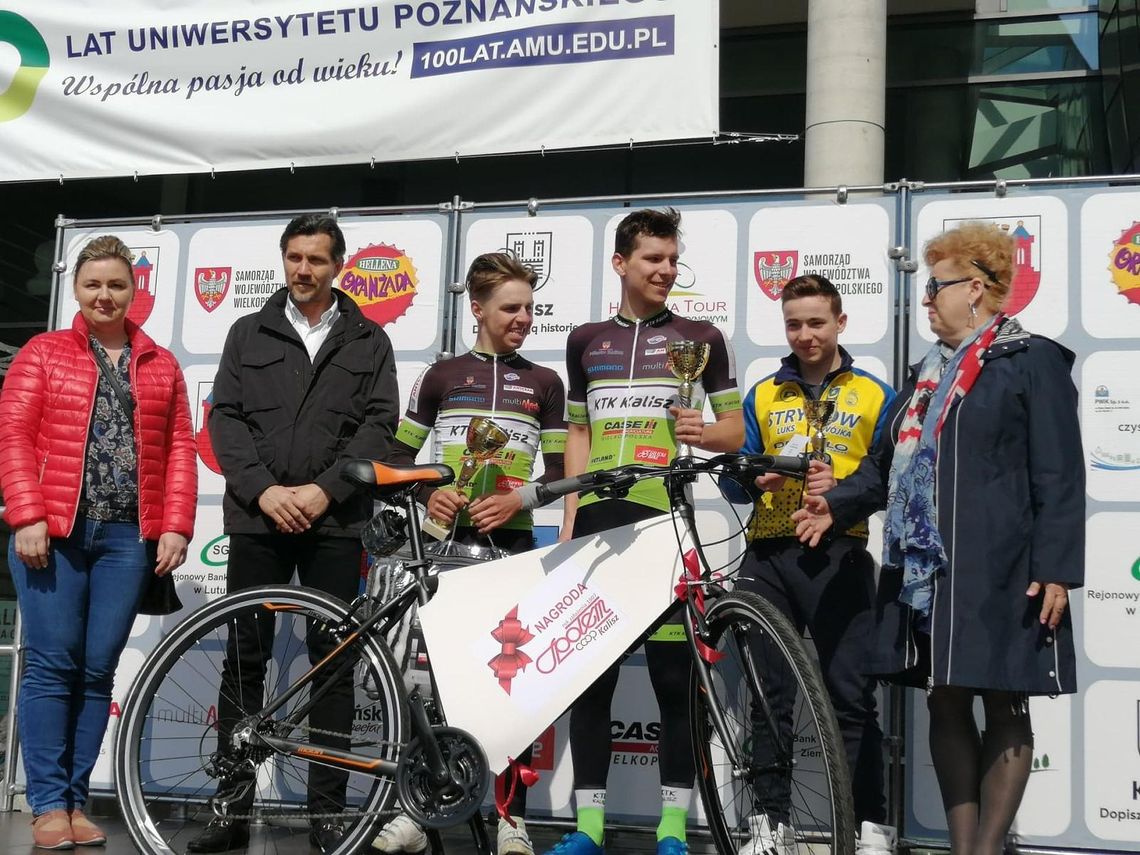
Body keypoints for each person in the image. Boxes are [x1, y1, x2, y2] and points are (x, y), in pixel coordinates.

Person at [793, 221, 1084, 855]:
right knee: (946, 701)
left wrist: (1057, 567)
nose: (925, 299)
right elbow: (878, 468)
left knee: (1006, 705)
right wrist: (832, 504)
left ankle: (985, 850)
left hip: (1007, 566)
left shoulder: (1031, 359)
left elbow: (1059, 471)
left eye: (934, 286)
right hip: (928, 572)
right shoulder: (922, 376)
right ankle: (962, 848)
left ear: (975, 288)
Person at [188, 214, 400, 854]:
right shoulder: (246, 331)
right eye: (294, 258)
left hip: (335, 523)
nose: (304, 270)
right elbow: (225, 420)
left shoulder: (369, 338)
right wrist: (265, 491)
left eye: (317, 259)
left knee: (333, 667)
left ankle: (328, 817)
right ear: (284, 260)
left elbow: (379, 425)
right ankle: (230, 812)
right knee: (244, 662)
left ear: (339, 265)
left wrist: (322, 490)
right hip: (258, 519)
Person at [546, 208, 744, 855]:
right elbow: (577, 432)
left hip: (667, 523)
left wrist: (700, 433)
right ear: (621, 263)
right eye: (652, 258)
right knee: (592, 681)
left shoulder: (701, 336)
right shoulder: (586, 340)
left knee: (672, 678)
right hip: (599, 526)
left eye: (671, 259)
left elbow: (735, 431)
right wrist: (571, 518)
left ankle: (670, 829)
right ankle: (589, 828)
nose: (665, 269)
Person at [0, 235, 197, 850]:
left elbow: (181, 450)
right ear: (76, 290)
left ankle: (77, 801)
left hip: (124, 539)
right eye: (93, 285)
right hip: (53, 534)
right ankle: (47, 803)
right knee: (52, 667)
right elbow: (14, 436)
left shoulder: (160, 363)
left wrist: (175, 524)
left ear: (134, 291)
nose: (105, 295)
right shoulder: (42, 352)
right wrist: (27, 514)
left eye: (116, 284)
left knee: (95, 671)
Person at [371, 252, 567, 855]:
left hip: (509, 545)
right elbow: (397, 461)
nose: (523, 318)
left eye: (530, 308)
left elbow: (559, 470)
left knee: (512, 687)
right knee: (425, 683)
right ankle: (417, 811)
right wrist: (431, 489)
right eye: (511, 308)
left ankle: (512, 818)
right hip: (443, 548)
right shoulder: (441, 376)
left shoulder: (545, 383)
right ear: (477, 309)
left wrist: (517, 501)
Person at [720, 274, 896, 855]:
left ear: (840, 323)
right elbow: (734, 479)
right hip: (769, 552)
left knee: (850, 696)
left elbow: (891, 478)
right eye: (794, 323)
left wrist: (840, 489)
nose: (805, 334)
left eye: (816, 322)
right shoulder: (765, 392)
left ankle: (868, 825)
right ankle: (772, 824)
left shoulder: (875, 394)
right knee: (769, 695)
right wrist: (755, 475)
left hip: (839, 550)